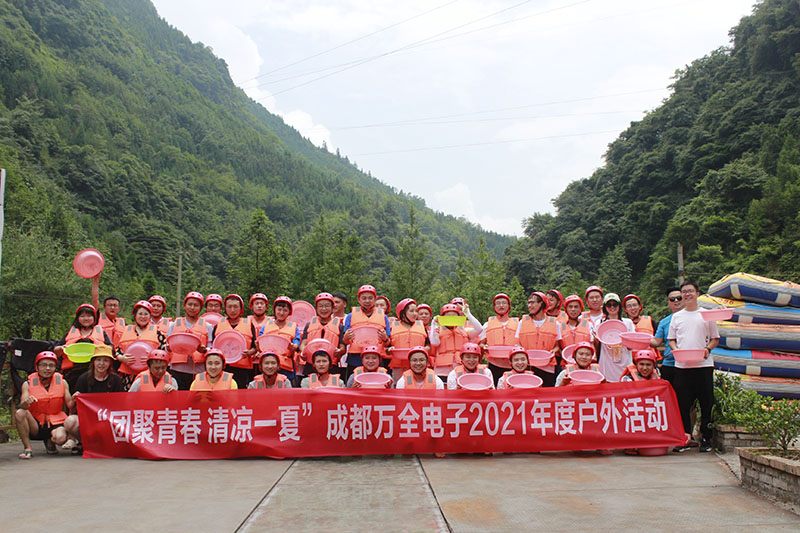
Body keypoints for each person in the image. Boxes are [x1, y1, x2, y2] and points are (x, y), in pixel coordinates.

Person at [668, 281, 719, 453]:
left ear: (697, 293)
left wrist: (707, 349)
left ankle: (706, 438)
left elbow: (715, 339)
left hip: (703, 365)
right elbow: (672, 340)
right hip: (682, 366)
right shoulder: (677, 317)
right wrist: (676, 350)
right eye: (684, 292)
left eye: (690, 291)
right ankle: (685, 438)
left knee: (706, 403)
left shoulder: (706, 315)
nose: (687, 294)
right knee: (682, 404)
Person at [63, 345, 124, 454]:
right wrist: (74, 399)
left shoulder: (115, 380)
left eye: (105, 360)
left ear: (110, 363)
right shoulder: (83, 379)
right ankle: (84, 442)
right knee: (70, 422)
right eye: (98, 360)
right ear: (93, 362)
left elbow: (121, 404)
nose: (101, 364)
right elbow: (73, 407)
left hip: (108, 419)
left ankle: (105, 444)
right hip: (88, 419)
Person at [15, 351, 73, 459]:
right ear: (37, 367)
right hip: (36, 423)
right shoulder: (27, 384)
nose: (47, 368)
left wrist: (75, 399)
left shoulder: (62, 382)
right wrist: (27, 402)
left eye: (51, 365)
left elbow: (70, 404)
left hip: (56, 420)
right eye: (44, 365)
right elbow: (22, 406)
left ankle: (50, 440)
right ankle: (27, 449)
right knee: (20, 413)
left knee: (60, 438)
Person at [53, 303, 112, 390]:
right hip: (73, 371)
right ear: (78, 318)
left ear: (94, 318)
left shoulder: (101, 332)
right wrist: (62, 348)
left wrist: (102, 349)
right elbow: (56, 350)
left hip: (95, 370)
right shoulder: (71, 332)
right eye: (82, 316)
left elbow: (111, 348)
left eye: (89, 316)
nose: (86, 319)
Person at [342, 285, 391, 382]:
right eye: (364, 298)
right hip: (355, 358)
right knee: (354, 384)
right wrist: (346, 337)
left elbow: (387, 343)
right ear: (359, 300)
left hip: (376, 358)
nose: (367, 301)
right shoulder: (350, 316)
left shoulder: (383, 316)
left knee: (377, 384)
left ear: (375, 299)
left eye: (370, 298)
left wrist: (385, 338)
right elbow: (345, 341)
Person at [167, 291, 211, 390]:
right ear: (184, 305)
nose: (192, 307)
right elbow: (166, 346)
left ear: (201, 308)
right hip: (177, 369)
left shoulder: (207, 326)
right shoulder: (174, 324)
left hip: (197, 370)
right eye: (189, 304)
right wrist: (169, 348)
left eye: (196, 305)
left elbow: (211, 348)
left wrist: (204, 350)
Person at [117, 300, 166, 387]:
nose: (143, 317)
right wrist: (122, 358)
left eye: (146, 314)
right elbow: (117, 351)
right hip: (128, 374)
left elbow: (164, 353)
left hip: (150, 375)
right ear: (135, 316)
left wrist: (152, 358)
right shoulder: (125, 330)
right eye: (140, 314)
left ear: (150, 316)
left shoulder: (158, 333)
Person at [212, 294, 258, 389]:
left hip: (242, 369)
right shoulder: (218, 324)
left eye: (235, 307)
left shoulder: (249, 324)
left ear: (241, 309)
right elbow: (213, 347)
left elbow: (255, 347)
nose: (232, 310)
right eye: (229, 307)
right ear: (225, 309)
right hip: (222, 368)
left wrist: (249, 352)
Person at [516, 292, 561, 387]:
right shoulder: (522, 322)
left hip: (547, 366)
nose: (529, 306)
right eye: (529, 303)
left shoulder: (555, 323)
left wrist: (554, 351)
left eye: (532, 303)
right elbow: (518, 344)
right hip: (528, 366)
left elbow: (557, 346)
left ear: (541, 304)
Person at [429, 303, 482, 380]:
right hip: (443, 370)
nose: (451, 318)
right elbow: (434, 342)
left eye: (454, 315)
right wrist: (434, 324)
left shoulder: (464, 330)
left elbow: (479, 329)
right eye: (448, 316)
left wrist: (468, 314)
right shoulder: (437, 331)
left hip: (460, 369)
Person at [299, 292, 345, 378]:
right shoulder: (309, 324)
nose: (324, 309)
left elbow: (342, 348)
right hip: (311, 364)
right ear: (316, 308)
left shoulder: (340, 326)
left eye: (327, 306)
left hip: (331, 365)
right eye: (320, 306)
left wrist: (339, 351)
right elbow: (303, 343)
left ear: (332, 308)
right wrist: (303, 352)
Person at [480, 293, 521, 385]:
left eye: (504, 303)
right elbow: (481, 343)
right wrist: (484, 346)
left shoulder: (518, 324)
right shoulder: (487, 324)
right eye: (498, 303)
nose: (501, 305)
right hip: (494, 364)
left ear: (509, 306)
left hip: (513, 364)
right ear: (494, 307)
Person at [258, 296, 301, 383]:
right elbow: (260, 345)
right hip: (269, 365)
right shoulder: (266, 326)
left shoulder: (294, 327)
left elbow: (296, 343)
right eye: (279, 310)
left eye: (285, 310)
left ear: (289, 312)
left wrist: (294, 346)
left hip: (286, 367)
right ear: (274, 310)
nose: (281, 313)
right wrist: (257, 346)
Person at [594, 293, 634, 383]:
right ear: (605, 307)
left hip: (624, 361)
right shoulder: (599, 323)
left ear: (619, 306)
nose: (612, 307)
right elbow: (596, 344)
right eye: (609, 305)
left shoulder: (628, 323)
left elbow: (631, 346)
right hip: (606, 363)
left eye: (615, 304)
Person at [387, 298, 428, 381]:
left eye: (416, 311)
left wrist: (422, 351)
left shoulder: (422, 326)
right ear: (402, 313)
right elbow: (386, 346)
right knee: (398, 386)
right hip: (398, 366)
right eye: (411, 311)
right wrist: (389, 349)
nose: (415, 314)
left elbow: (428, 345)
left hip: (418, 365)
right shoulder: (392, 326)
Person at [651, 287, 683, 385]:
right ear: (668, 302)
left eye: (679, 298)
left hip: (688, 364)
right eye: (672, 299)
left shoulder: (694, 316)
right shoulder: (664, 322)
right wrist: (640, 339)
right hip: (669, 364)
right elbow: (656, 342)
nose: (676, 301)